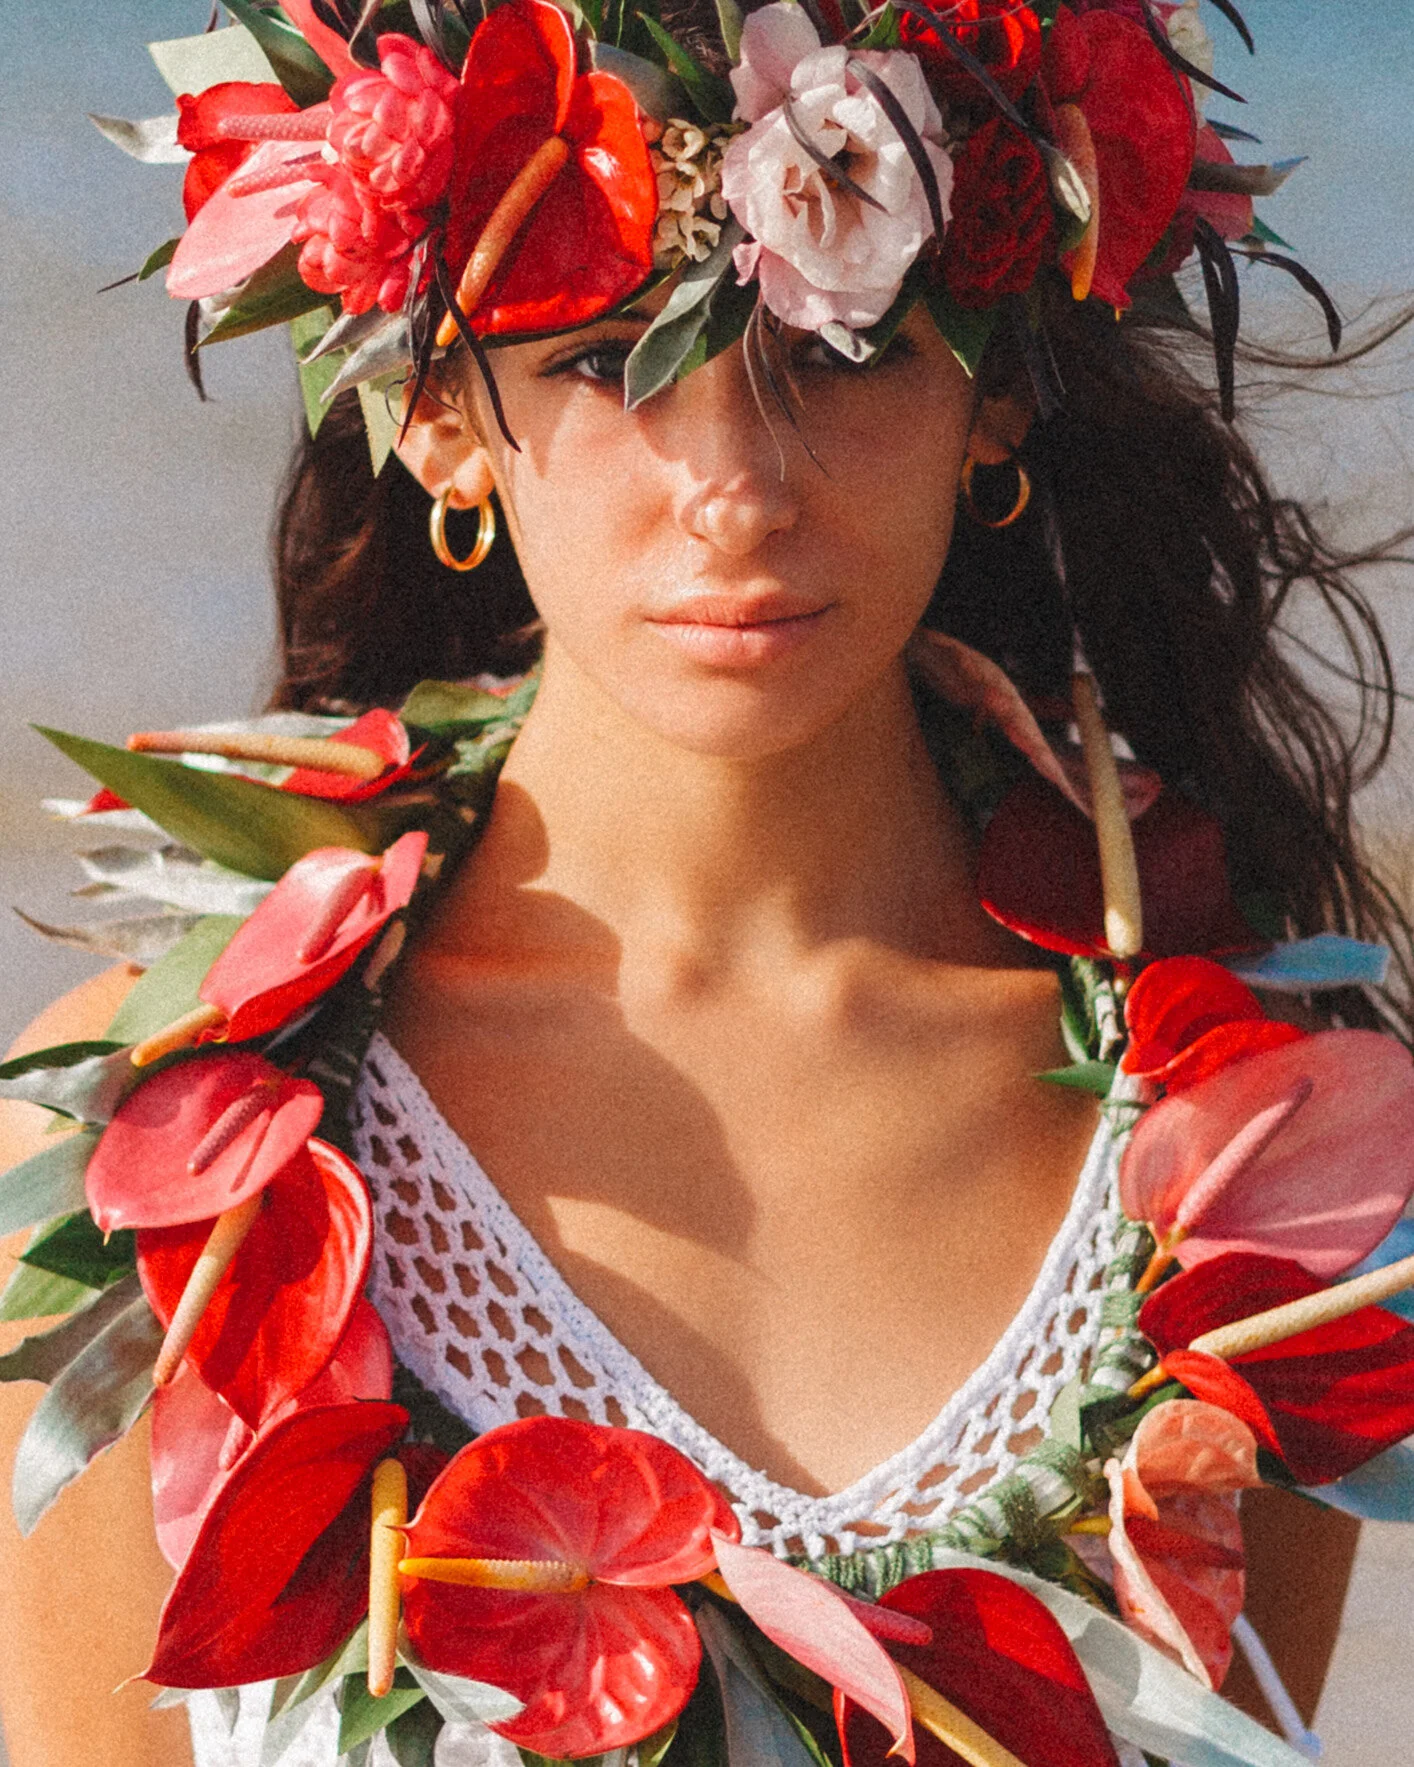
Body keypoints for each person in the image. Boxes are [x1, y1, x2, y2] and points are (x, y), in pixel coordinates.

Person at [1, 2, 1411, 1764]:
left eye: (841, 351)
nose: (736, 491)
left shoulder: (1274, 1191)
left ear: (994, 391)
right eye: (604, 361)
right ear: (434, 411)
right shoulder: (161, 1164)